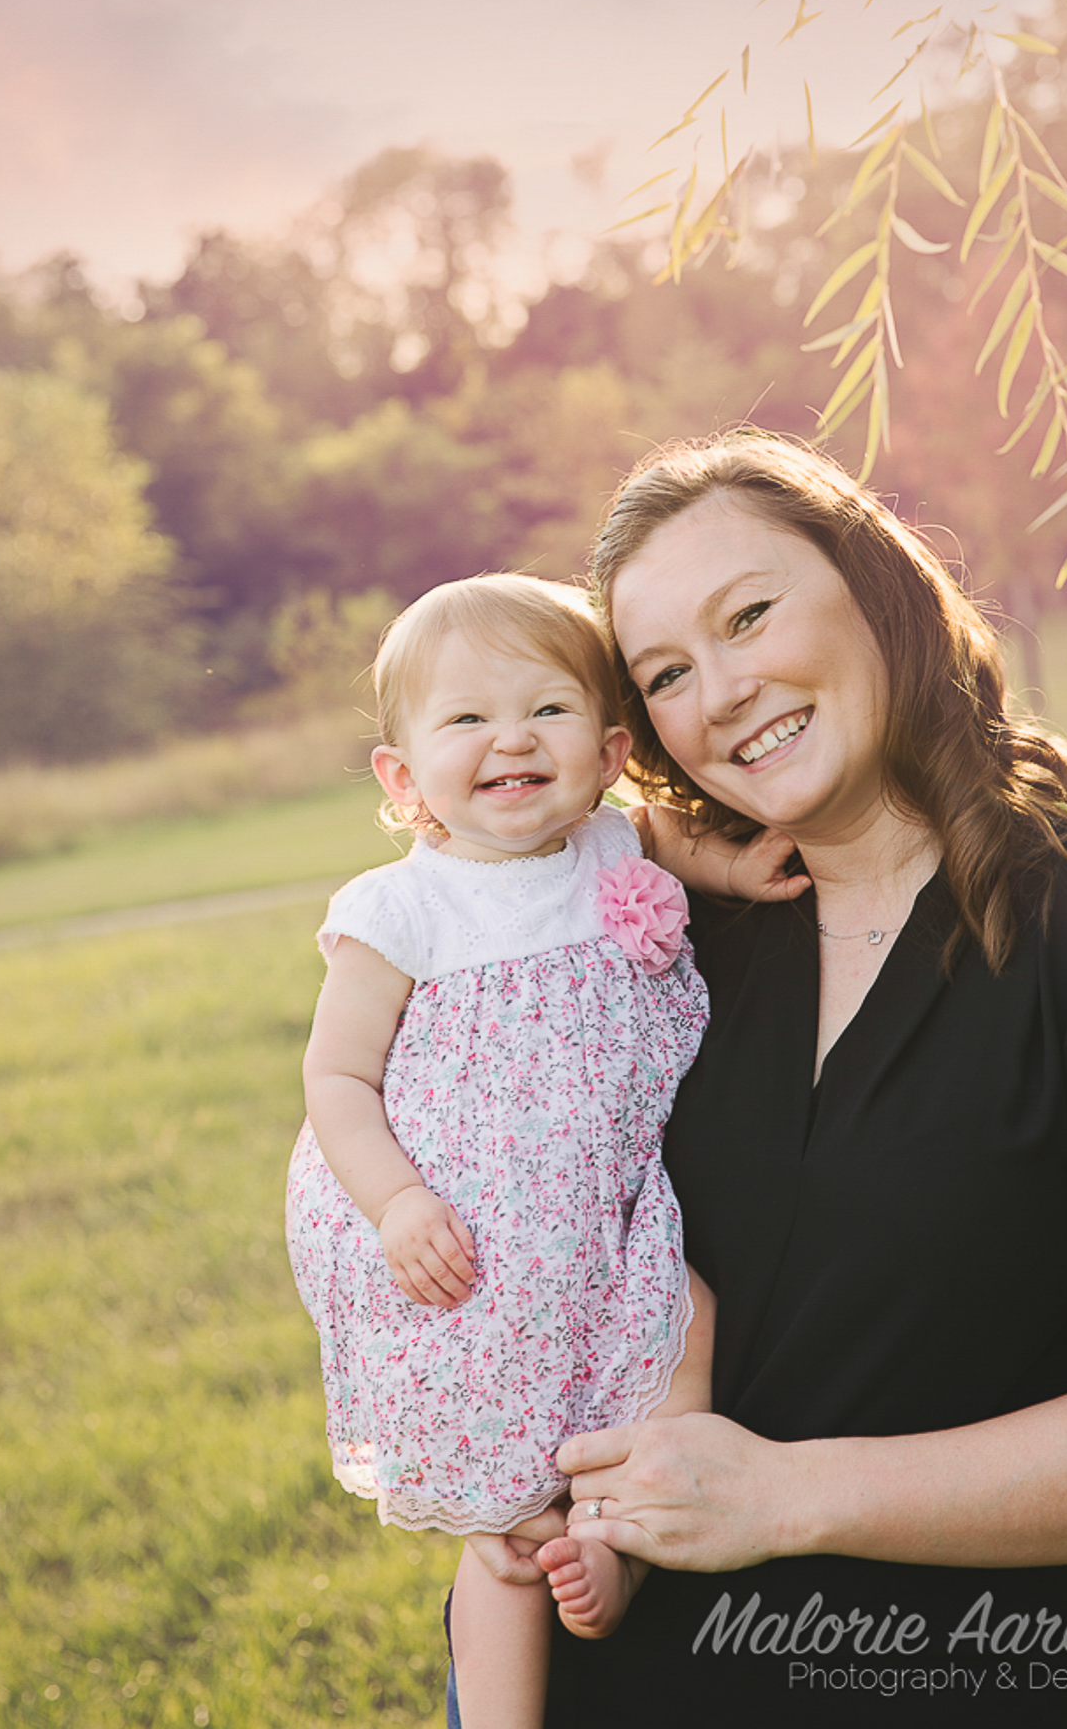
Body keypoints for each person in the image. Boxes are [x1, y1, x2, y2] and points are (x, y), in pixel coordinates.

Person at [521, 429, 1067, 1724]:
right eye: (666, 674)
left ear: (880, 587)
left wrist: (783, 1495)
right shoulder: (659, 943)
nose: (722, 693)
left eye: (748, 615)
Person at [294, 573, 792, 1727]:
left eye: (547, 711)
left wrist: (732, 870)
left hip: (602, 1223)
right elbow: (336, 1078)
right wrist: (398, 1203)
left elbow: (673, 845)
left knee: (689, 1323)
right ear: (404, 777)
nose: (512, 737)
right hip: (460, 1241)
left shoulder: (617, 851)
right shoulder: (401, 910)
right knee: (507, 1520)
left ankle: (619, 1543)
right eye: (467, 719)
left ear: (612, 747)